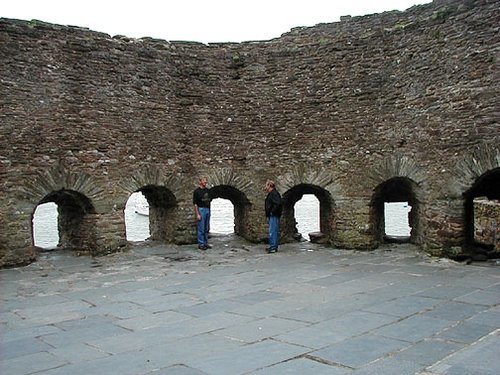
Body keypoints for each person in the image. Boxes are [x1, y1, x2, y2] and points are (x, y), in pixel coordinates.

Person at [193, 177, 212, 250]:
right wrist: (197, 214)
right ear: (200, 181)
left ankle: (205, 243)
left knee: (206, 227)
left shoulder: (208, 190)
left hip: (207, 209)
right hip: (201, 209)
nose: (205, 182)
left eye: (206, 181)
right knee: (201, 228)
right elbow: (195, 204)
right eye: (204, 181)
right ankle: (201, 244)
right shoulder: (197, 191)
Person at [264, 179, 282, 253]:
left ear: (269, 185)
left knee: (273, 231)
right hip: (273, 214)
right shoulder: (272, 193)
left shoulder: (274, 193)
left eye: (266, 185)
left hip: (274, 215)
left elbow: (277, 203)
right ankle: (272, 246)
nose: (265, 187)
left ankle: (273, 247)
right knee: (272, 231)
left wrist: (272, 212)